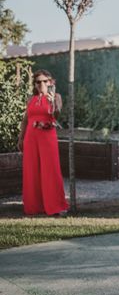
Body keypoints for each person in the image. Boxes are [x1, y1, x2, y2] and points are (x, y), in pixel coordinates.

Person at [17, 69, 68, 216]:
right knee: (31, 170)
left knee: (50, 169)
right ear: (35, 84)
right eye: (38, 81)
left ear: (50, 82)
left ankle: (54, 206)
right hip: (31, 137)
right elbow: (26, 120)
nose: (41, 84)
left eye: (45, 81)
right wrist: (21, 137)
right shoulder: (31, 99)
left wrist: (52, 103)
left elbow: (56, 115)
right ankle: (34, 206)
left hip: (47, 137)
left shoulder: (56, 96)